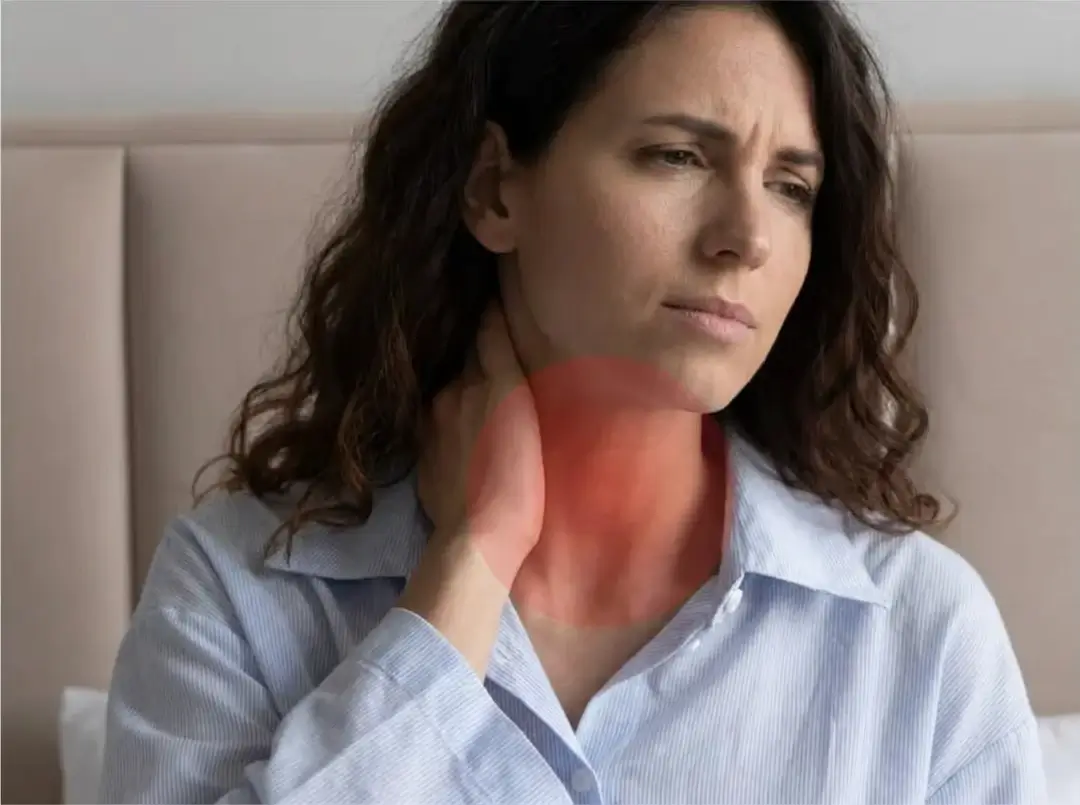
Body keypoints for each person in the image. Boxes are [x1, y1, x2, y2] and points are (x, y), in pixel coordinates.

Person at [99, 2, 1047, 803]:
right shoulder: (237, 595)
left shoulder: (918, 633)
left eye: (791, 186)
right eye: (676, 156)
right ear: (494, 188)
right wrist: (465, 571)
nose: (747, 237)